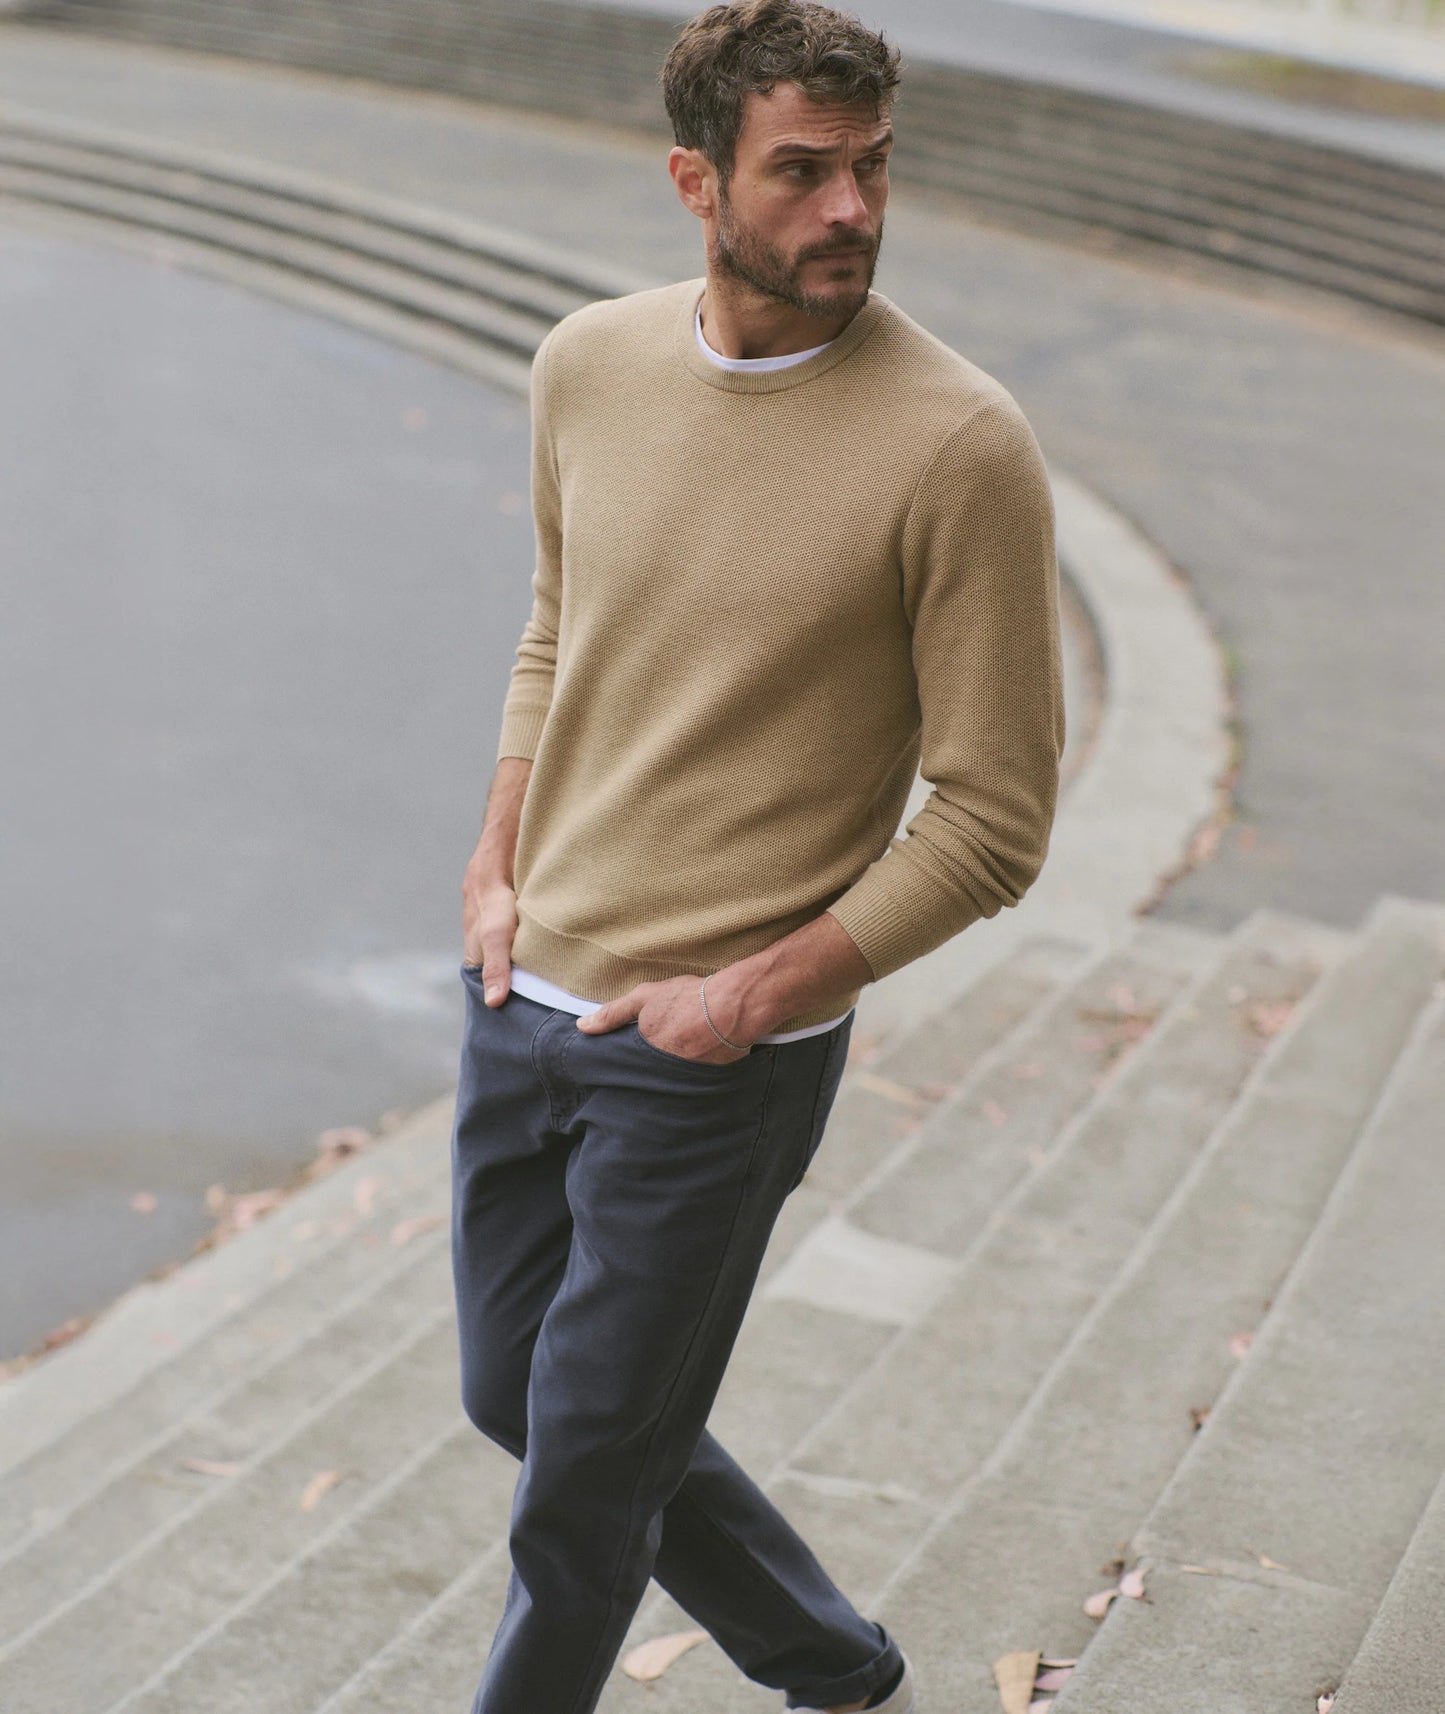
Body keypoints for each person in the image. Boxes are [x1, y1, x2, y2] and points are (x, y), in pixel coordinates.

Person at [451, 2, 1064, 1708]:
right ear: (695, 181)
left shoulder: (959, 447)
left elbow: (995, 813)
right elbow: (557, 626)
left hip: (716, 1063)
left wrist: (749, 999)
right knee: (519, 1392)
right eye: (801, 171)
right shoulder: (587, 361)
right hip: (524, 992)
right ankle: (834, 1663)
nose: (851, 209)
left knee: (581, 1489)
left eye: (872, 168)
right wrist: (493, 872)